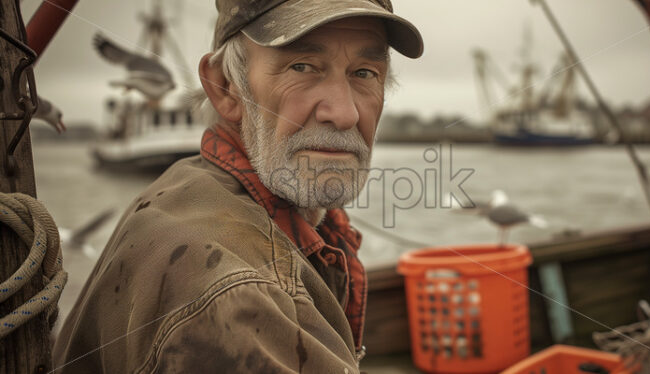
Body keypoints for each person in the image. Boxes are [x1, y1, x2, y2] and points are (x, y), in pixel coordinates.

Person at [52, 0, 423, 372]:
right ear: (226, 87)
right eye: (302, 67)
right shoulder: (232, 297)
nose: (345, 114)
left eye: (364, 73)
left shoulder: (197, 187)